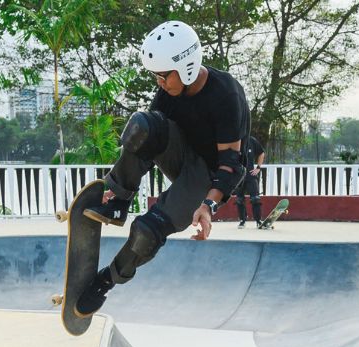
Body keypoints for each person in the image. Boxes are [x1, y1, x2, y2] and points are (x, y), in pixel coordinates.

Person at [75, 20, 250, 316]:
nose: (159, 82)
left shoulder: (225, 94)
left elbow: (232, 163)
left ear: (187, 67)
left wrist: (208, 205)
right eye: (155, 75)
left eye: (163, 76)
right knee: (143, 125)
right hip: (182, 157)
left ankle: (106, 281)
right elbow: (148, 140)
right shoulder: (169, 93)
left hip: (209, 176)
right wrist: (117, 183)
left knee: (146, 231)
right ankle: (118, 202)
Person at [233, 136, 266, 229]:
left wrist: (258, 168)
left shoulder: (251, 140)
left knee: (255, 198)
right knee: (239, 199)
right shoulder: (233, 140)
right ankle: (242, 221)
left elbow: (261, 153)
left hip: (250, 175)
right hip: (238, 176)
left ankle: (259, 221)